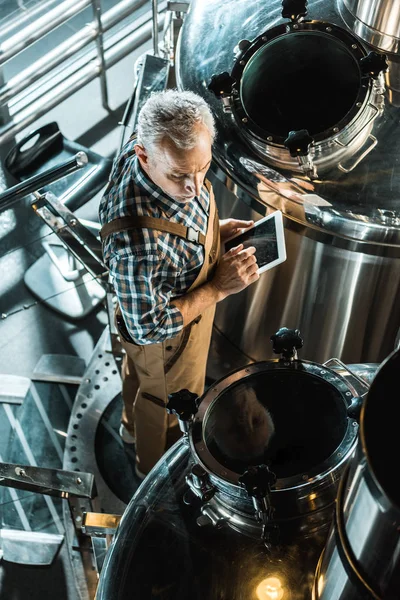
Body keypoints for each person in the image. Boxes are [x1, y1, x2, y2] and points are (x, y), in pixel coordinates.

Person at [99, 89, 259, 479]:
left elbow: (178, 223)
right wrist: (219, 288)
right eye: (179, 176)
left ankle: (129, 428)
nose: (193, 188)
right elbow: (147, 327)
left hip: (151, 310)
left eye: (203, 169)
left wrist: (213, 233)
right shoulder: (135, 244)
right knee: (166, 406)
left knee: (138, 378)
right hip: (166, 340)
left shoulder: (156, 160)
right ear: (143, 156)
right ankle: (150, 474)